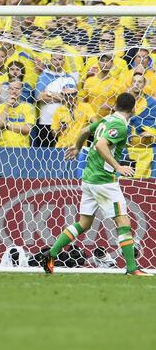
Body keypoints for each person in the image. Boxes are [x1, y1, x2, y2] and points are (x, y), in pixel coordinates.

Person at [44, 93, 151, 276]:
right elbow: (101, 144)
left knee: (84, 223)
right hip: (104, 181)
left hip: (88, 178)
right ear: (133, 109)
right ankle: (132, 268)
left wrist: (78, 147)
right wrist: (118, 167)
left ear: (115, 106)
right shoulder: (120, 126)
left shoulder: (107, 119)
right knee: (123, 221)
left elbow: (85, 130)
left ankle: (51, 253)